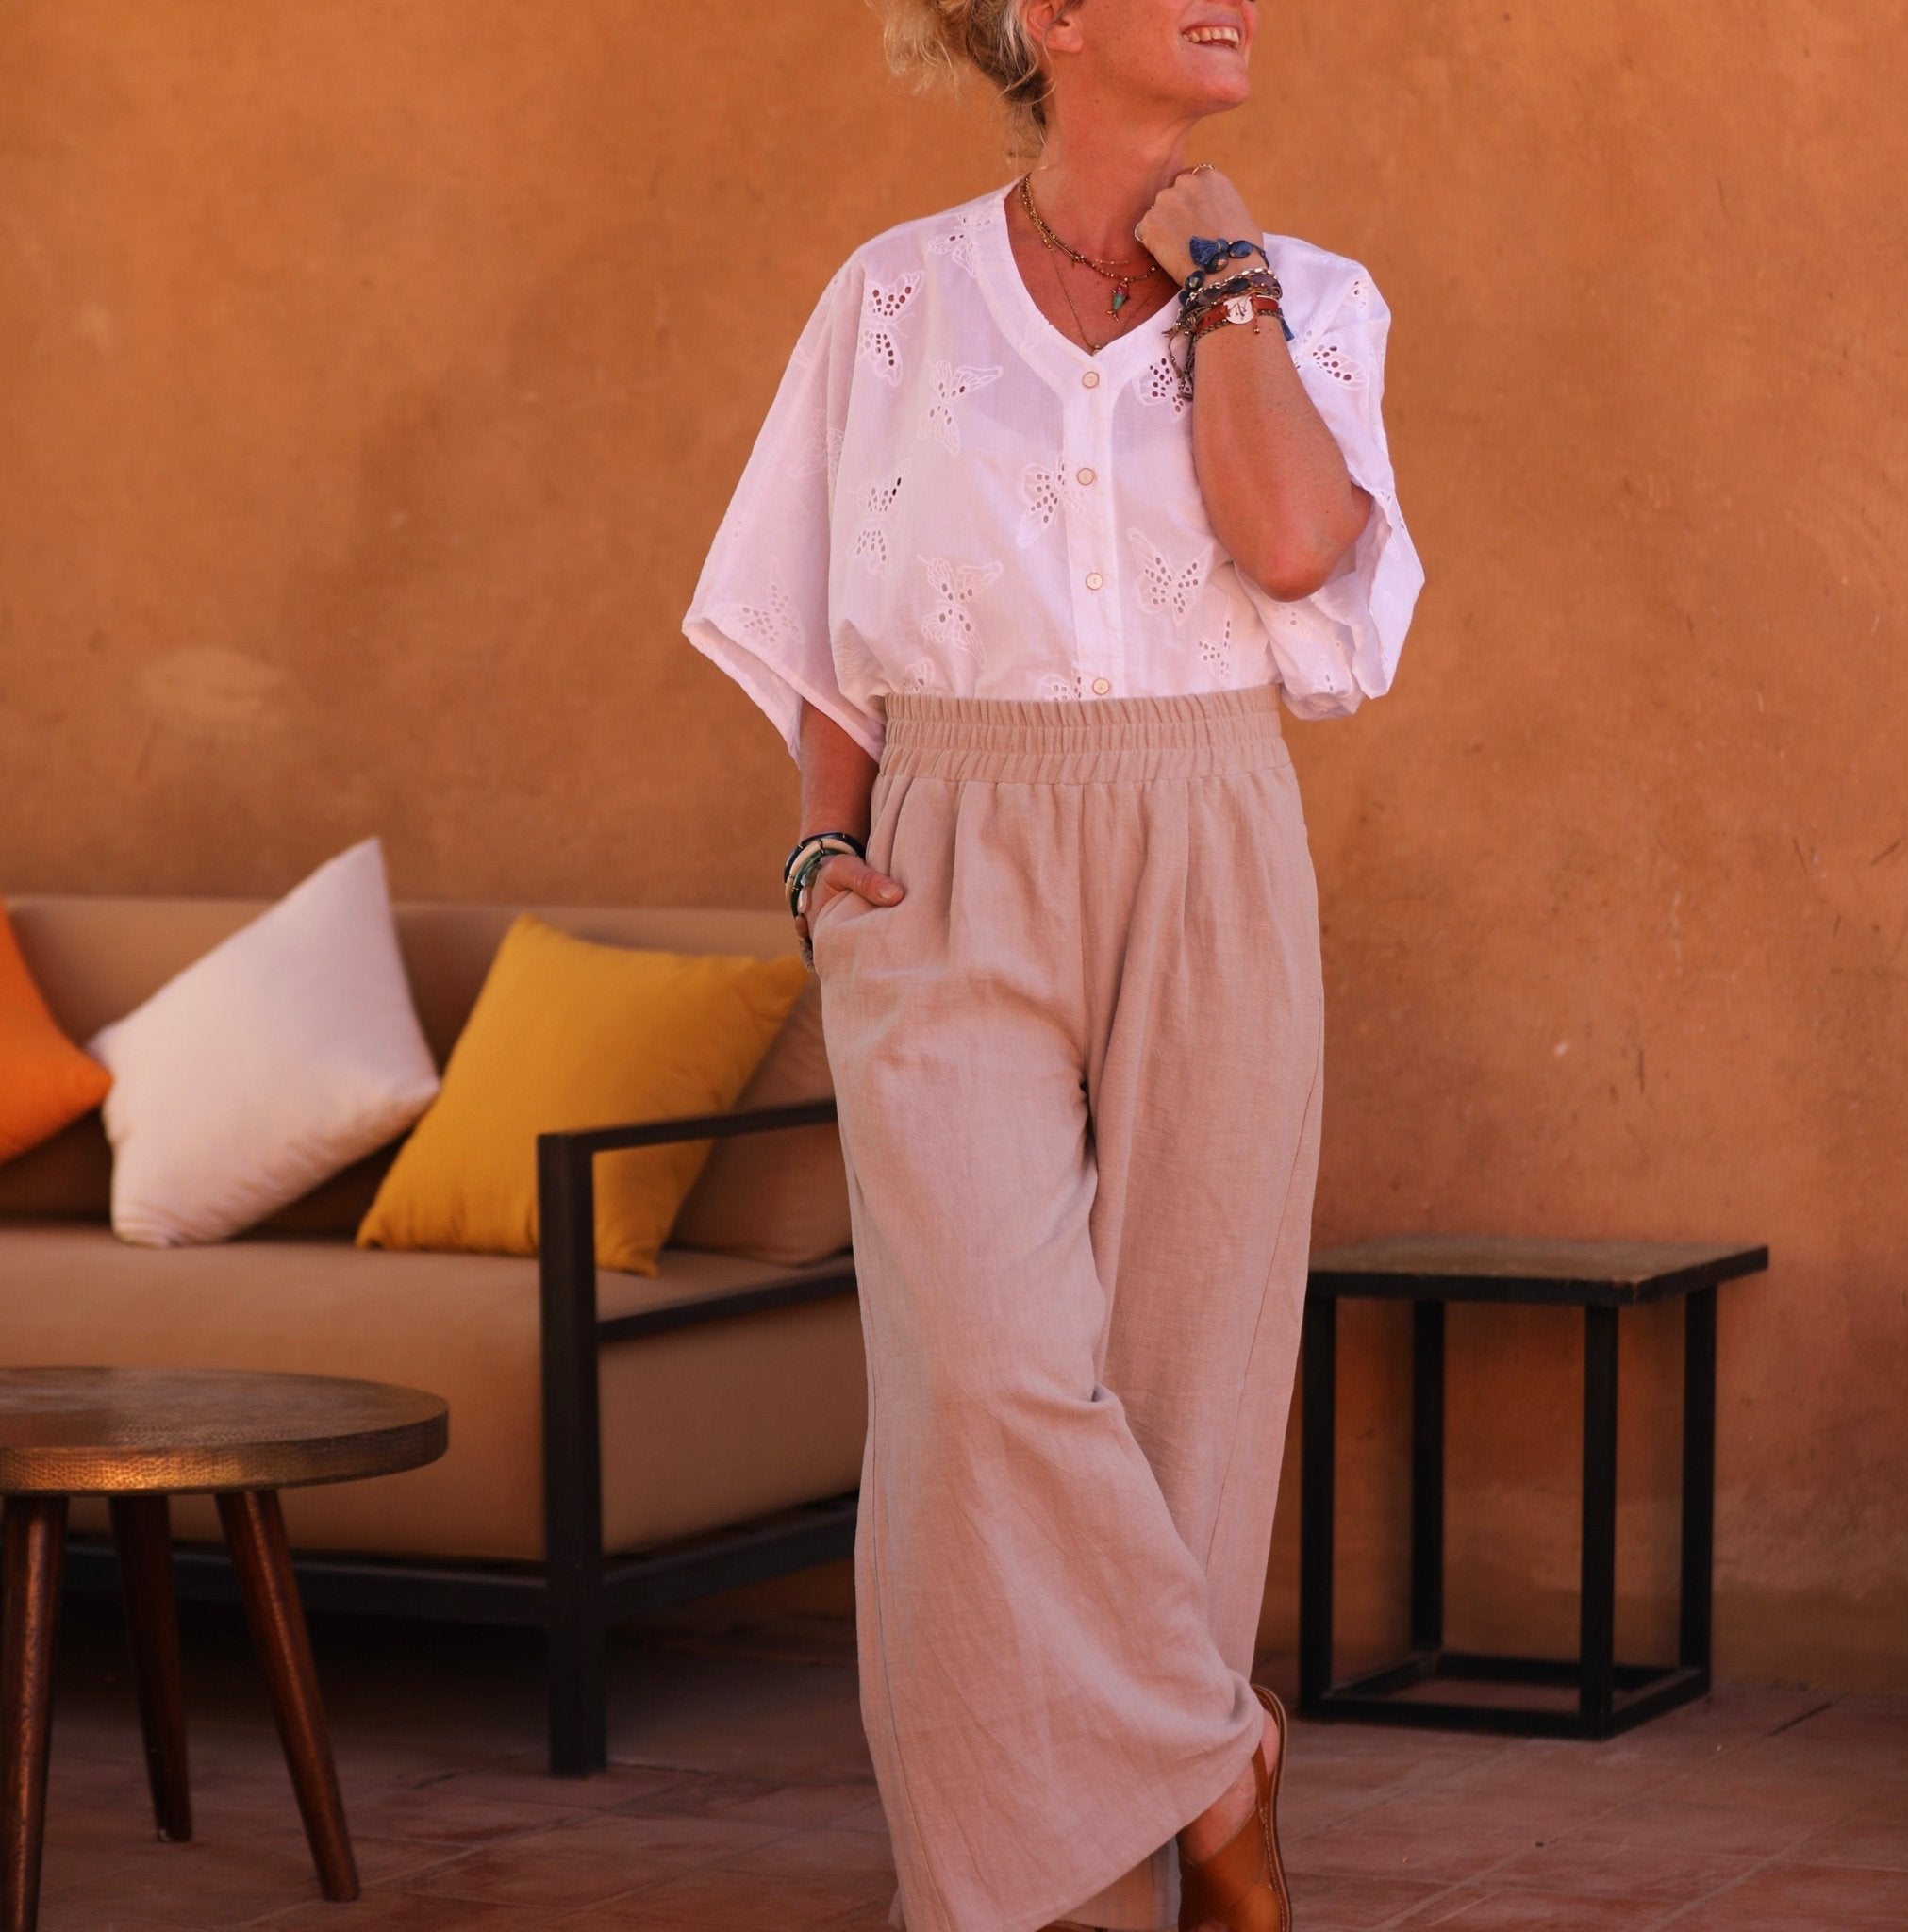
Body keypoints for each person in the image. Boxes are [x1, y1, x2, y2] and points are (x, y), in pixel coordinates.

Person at [682, 3, 1423, 1925]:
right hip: (947, 845)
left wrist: (1226, 277)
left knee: (1189, 1388)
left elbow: (1293, 548)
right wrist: (822, 852)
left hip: (1208, 834)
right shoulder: (894, 297)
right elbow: (818, 610)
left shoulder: (1309, 295)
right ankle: (1212, 1768)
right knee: (985, 1380)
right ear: (1055, 19)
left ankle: (1134, 1854)